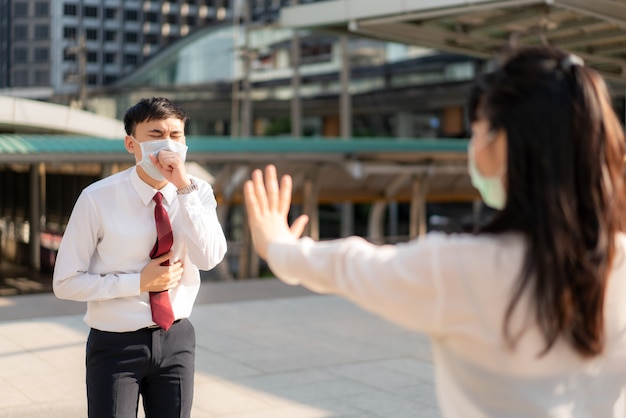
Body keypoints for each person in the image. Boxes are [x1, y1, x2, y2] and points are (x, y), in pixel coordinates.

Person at [242, 46, 626, 417]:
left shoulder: (460, 268)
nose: (472, 145)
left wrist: (279, 247)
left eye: (476, 130)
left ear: (503, 140)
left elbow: (350, 264)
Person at [53, 97, 227, 418]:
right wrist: (139, 283)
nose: (168, 143)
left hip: (176, 338)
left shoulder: (197, 191)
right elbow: (65, 283)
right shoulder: (96, 198)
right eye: (156, 134)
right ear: (131, 144)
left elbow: (209, 258)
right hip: (115, 343)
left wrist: (184, 189)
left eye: (176, 135)